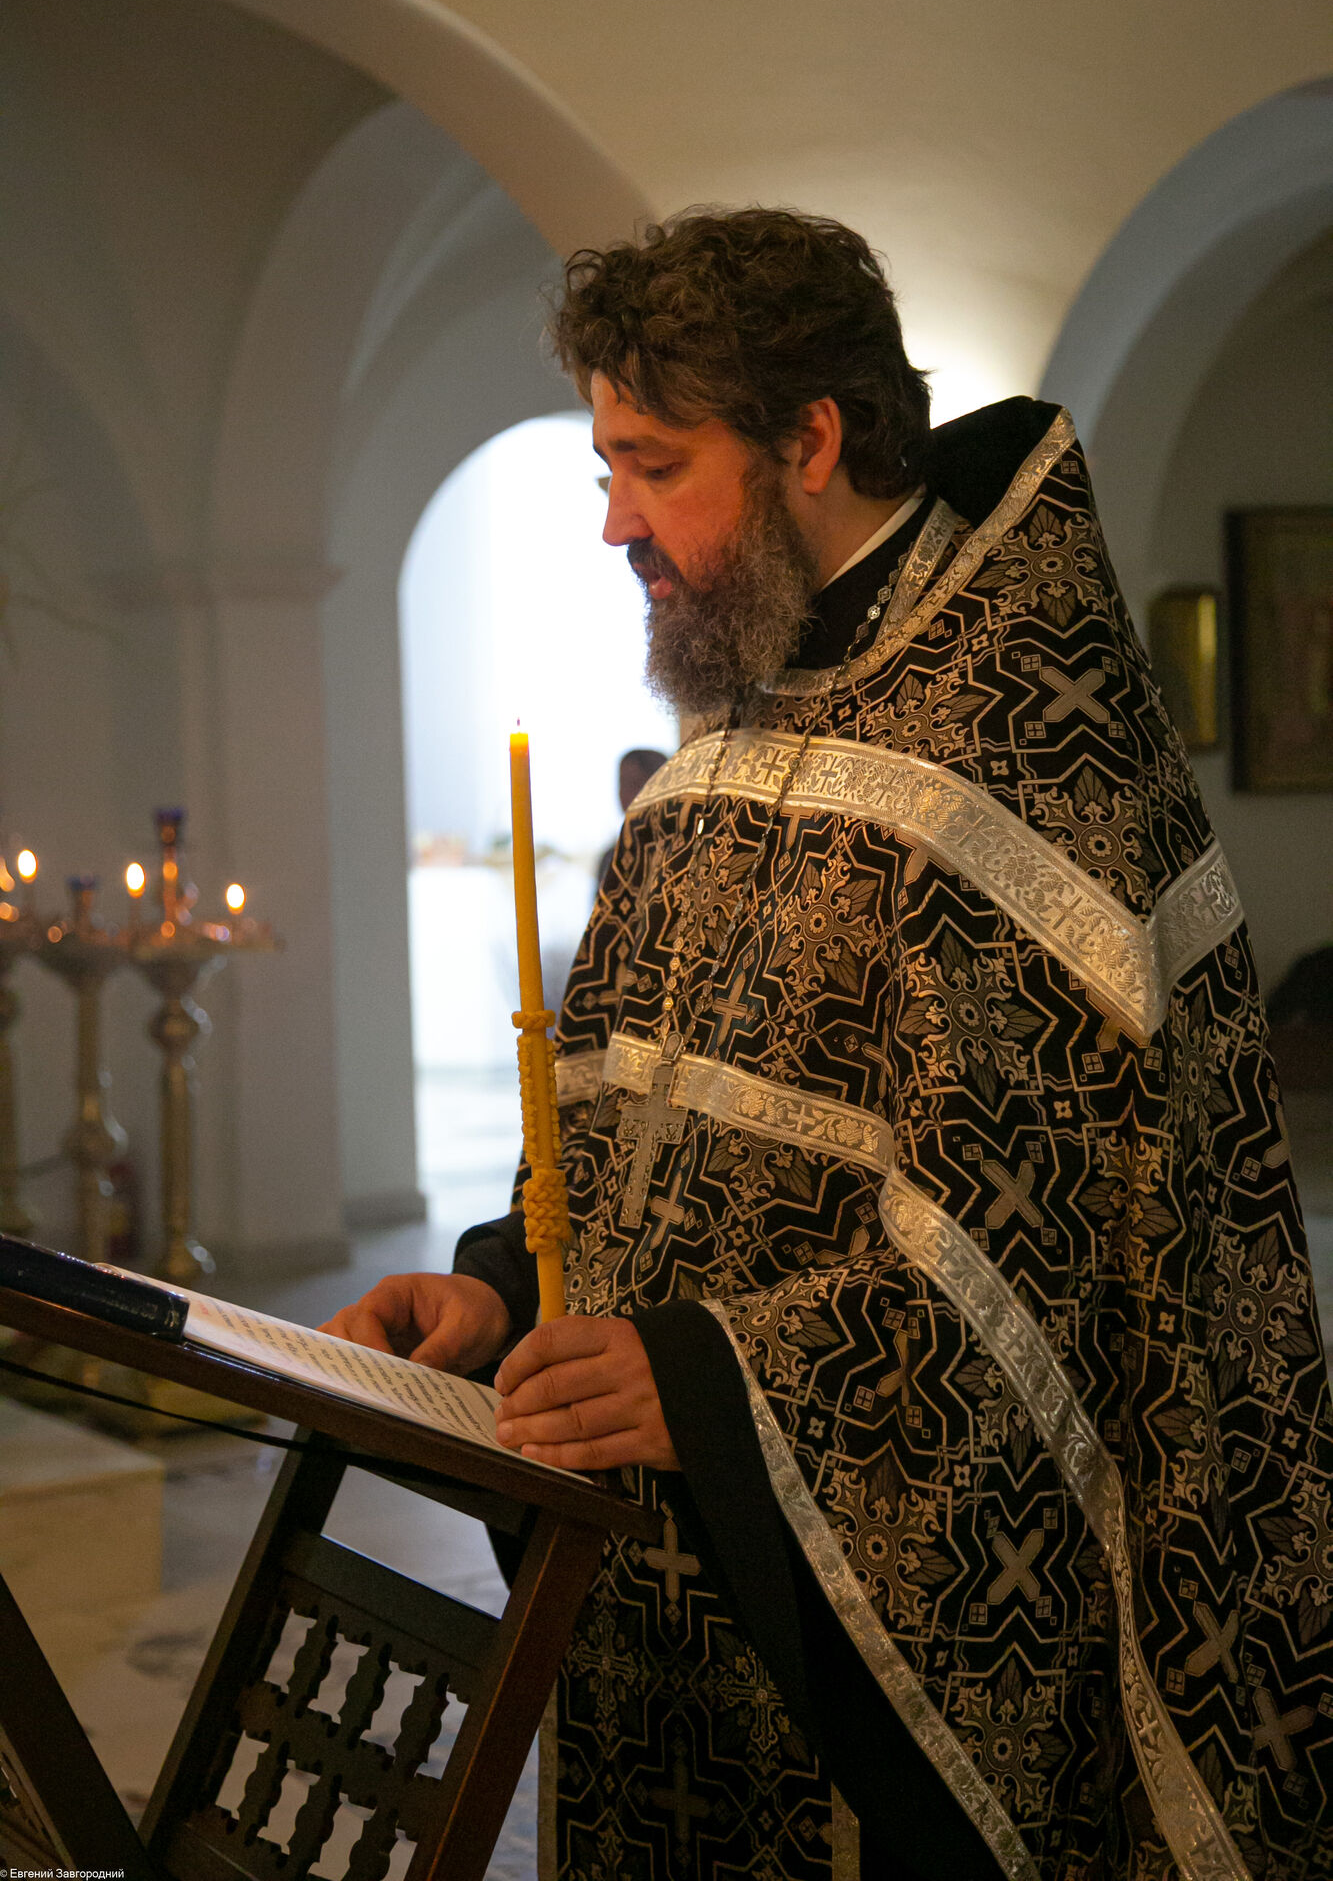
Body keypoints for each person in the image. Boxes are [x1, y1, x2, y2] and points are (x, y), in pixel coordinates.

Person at [324, 209, 1333, 1879]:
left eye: (654, 467)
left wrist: (704, 1384)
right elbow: (628, 1146)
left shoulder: (1027, 761)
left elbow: (1049, 1281)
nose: (612, 522)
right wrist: (506, 1291)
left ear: (808, 438)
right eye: (603, 468)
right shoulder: (730, 738)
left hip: (907, 1668)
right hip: (665, 1609)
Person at [596, 747, 670, 892]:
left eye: (634, 784)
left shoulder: (675, 850)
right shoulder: (612, 857)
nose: (625, 793)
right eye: (622, 783)